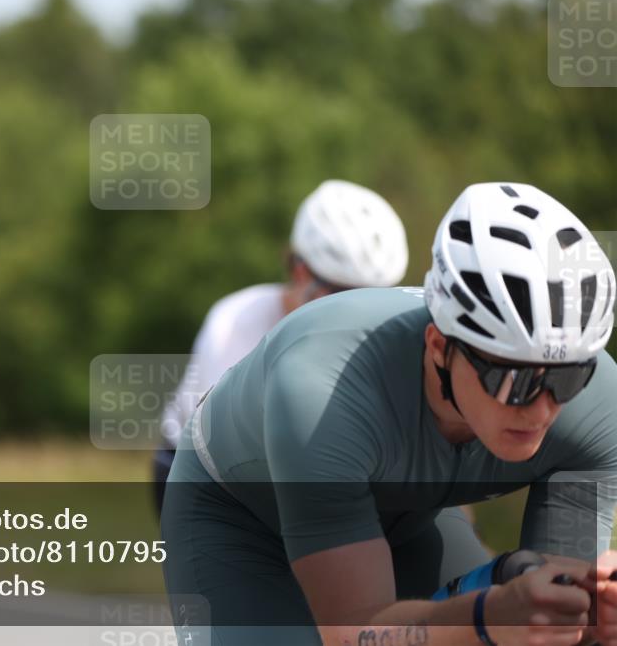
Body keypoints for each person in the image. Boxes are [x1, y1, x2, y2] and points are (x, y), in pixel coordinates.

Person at [162, 182, 617, 646]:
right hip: (243, 516)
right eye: (513, 380)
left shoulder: (598, 408)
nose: (542, 407)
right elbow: (355, 634)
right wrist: (488, 614)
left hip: (403, 512)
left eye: (568, 378)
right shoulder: (321, 391)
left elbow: (557, 622)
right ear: (439, 347)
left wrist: (593, 621)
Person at [152, 180, 409, 514]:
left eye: (378, 298)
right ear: (300, 271)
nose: (362, 312)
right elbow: (229, 453)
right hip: (193, 470)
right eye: (344, 293)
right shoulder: (235, 323)